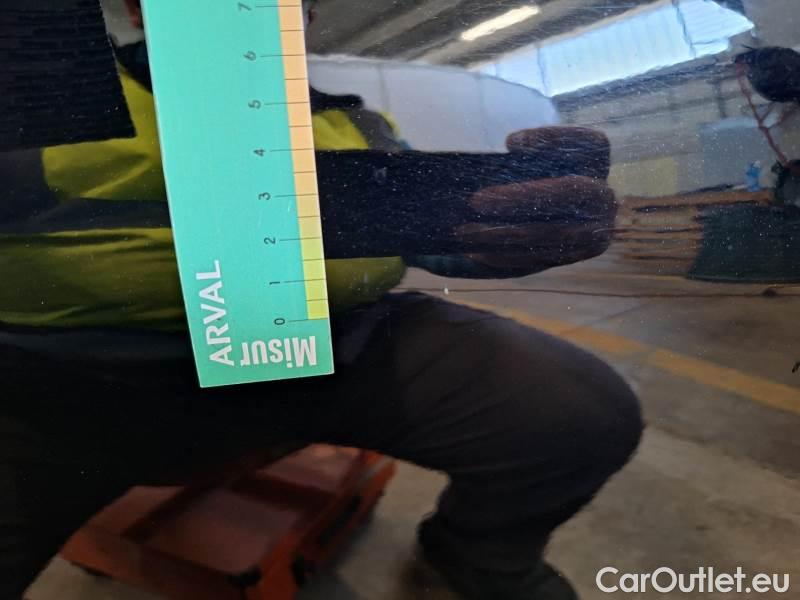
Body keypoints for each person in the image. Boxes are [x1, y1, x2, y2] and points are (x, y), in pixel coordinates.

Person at [0, 1, 643, 598]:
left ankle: (477, 560)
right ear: (140, 8)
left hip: (337, 353)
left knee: (576, 411)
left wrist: (519, 234)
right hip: (67, 393)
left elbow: (437, 240)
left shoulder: (354, 122)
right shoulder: (44, 95)